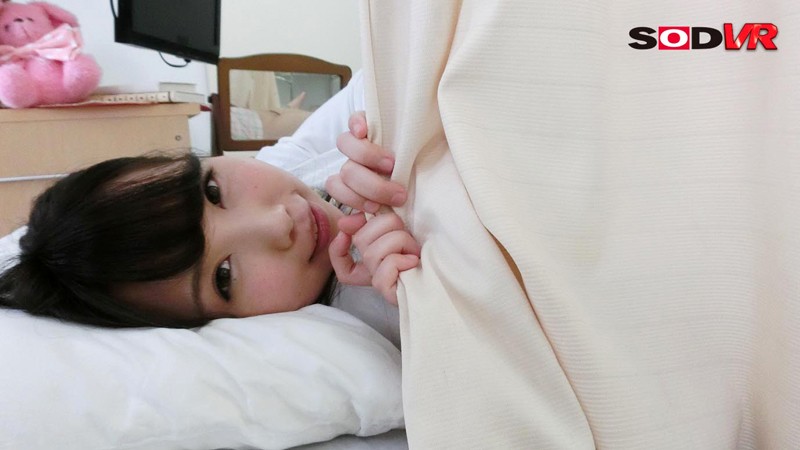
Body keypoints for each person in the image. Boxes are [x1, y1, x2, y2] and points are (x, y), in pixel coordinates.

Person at [0, 70, 416, 345]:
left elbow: (387, 71)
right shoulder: (375, 315)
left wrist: (385, 124)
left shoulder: (282, 169)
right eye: (223, 276)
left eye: (212, 192)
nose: (278, 223)